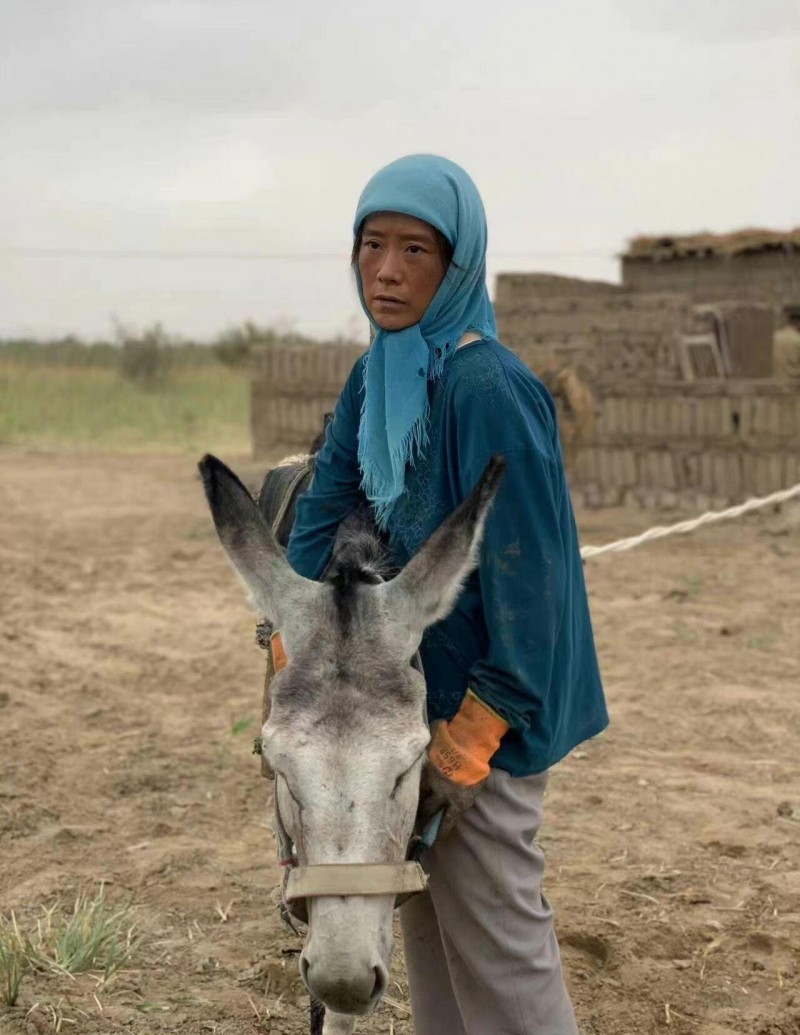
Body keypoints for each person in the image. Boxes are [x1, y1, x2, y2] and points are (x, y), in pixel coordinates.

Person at [286, 154, 608, 1035]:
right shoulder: (378, 373)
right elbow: (322, 517)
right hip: (410, 708)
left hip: (492, 713)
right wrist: (292, 645)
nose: (386, 271)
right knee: (428, 933)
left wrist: (469, 746)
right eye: (371, 246)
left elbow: (535, 588)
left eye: (415, 251)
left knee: (499, 945)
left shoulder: (487, 385)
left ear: (457, 264)